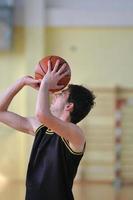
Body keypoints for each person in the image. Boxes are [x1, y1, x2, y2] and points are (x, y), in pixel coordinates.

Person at [0, 59, 95, 200]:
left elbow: (42, 114)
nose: (55, 94)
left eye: (61, 94)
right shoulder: (41, 128)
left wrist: (45, 82)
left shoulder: (76, 134)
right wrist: (22, 82)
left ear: (69, 106)